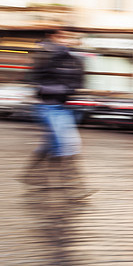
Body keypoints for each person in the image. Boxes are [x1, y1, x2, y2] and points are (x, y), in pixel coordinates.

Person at [21, 28, 90, 197]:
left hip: (61, 106)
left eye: (68, 36)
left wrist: (71, 87)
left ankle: (30, 175)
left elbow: (78, 80)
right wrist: (63, 88)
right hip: (46, 106)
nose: (66, 39)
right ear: (51, 37)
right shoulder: (44, 54)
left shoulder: (69, 57)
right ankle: (74, 188)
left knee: (52, 145)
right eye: (62, 36)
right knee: (66, 144)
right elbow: (35, 81)